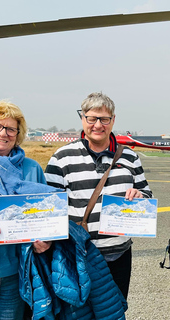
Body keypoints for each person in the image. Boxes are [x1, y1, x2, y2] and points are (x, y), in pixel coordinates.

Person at [45, 92, 152, 300]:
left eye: (104, 119)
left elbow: (147, 194)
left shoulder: (130, 157)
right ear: (83, 118)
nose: (98, 125)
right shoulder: (61, 158)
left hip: (119, 254)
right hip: (78, 255)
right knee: (78, 312)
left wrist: (139, 196)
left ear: (113, 121)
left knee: (115, 310)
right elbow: (49, 206)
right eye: (92, 118)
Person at [0, 101, 57, 320]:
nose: (3, 133)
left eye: (11, 128)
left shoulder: (31, 168)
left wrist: (46, 240)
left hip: (18, 273)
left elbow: (46, 214)